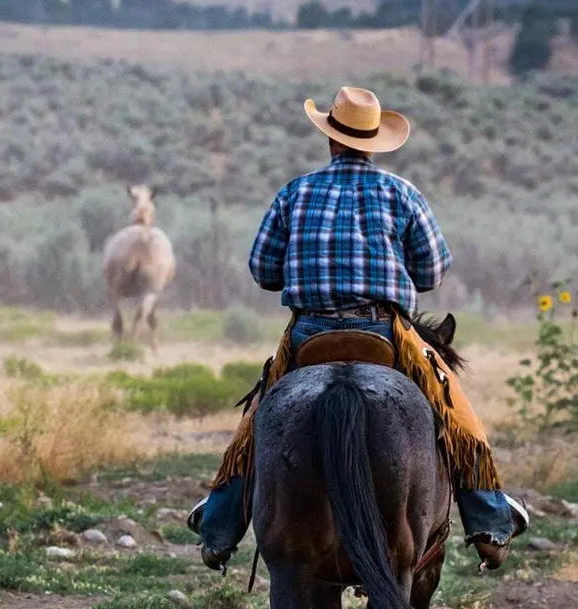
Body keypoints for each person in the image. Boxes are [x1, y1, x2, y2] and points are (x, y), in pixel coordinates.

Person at [187, 86, 529, 573]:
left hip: (309, 335)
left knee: (258, 419)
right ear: (373, 144)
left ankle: (219, 527)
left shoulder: (294, 192)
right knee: (454, 409)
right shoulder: (402, 193)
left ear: (330, 139)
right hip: (386, 334)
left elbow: (262, 271)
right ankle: (489, 522)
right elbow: (433, 272)